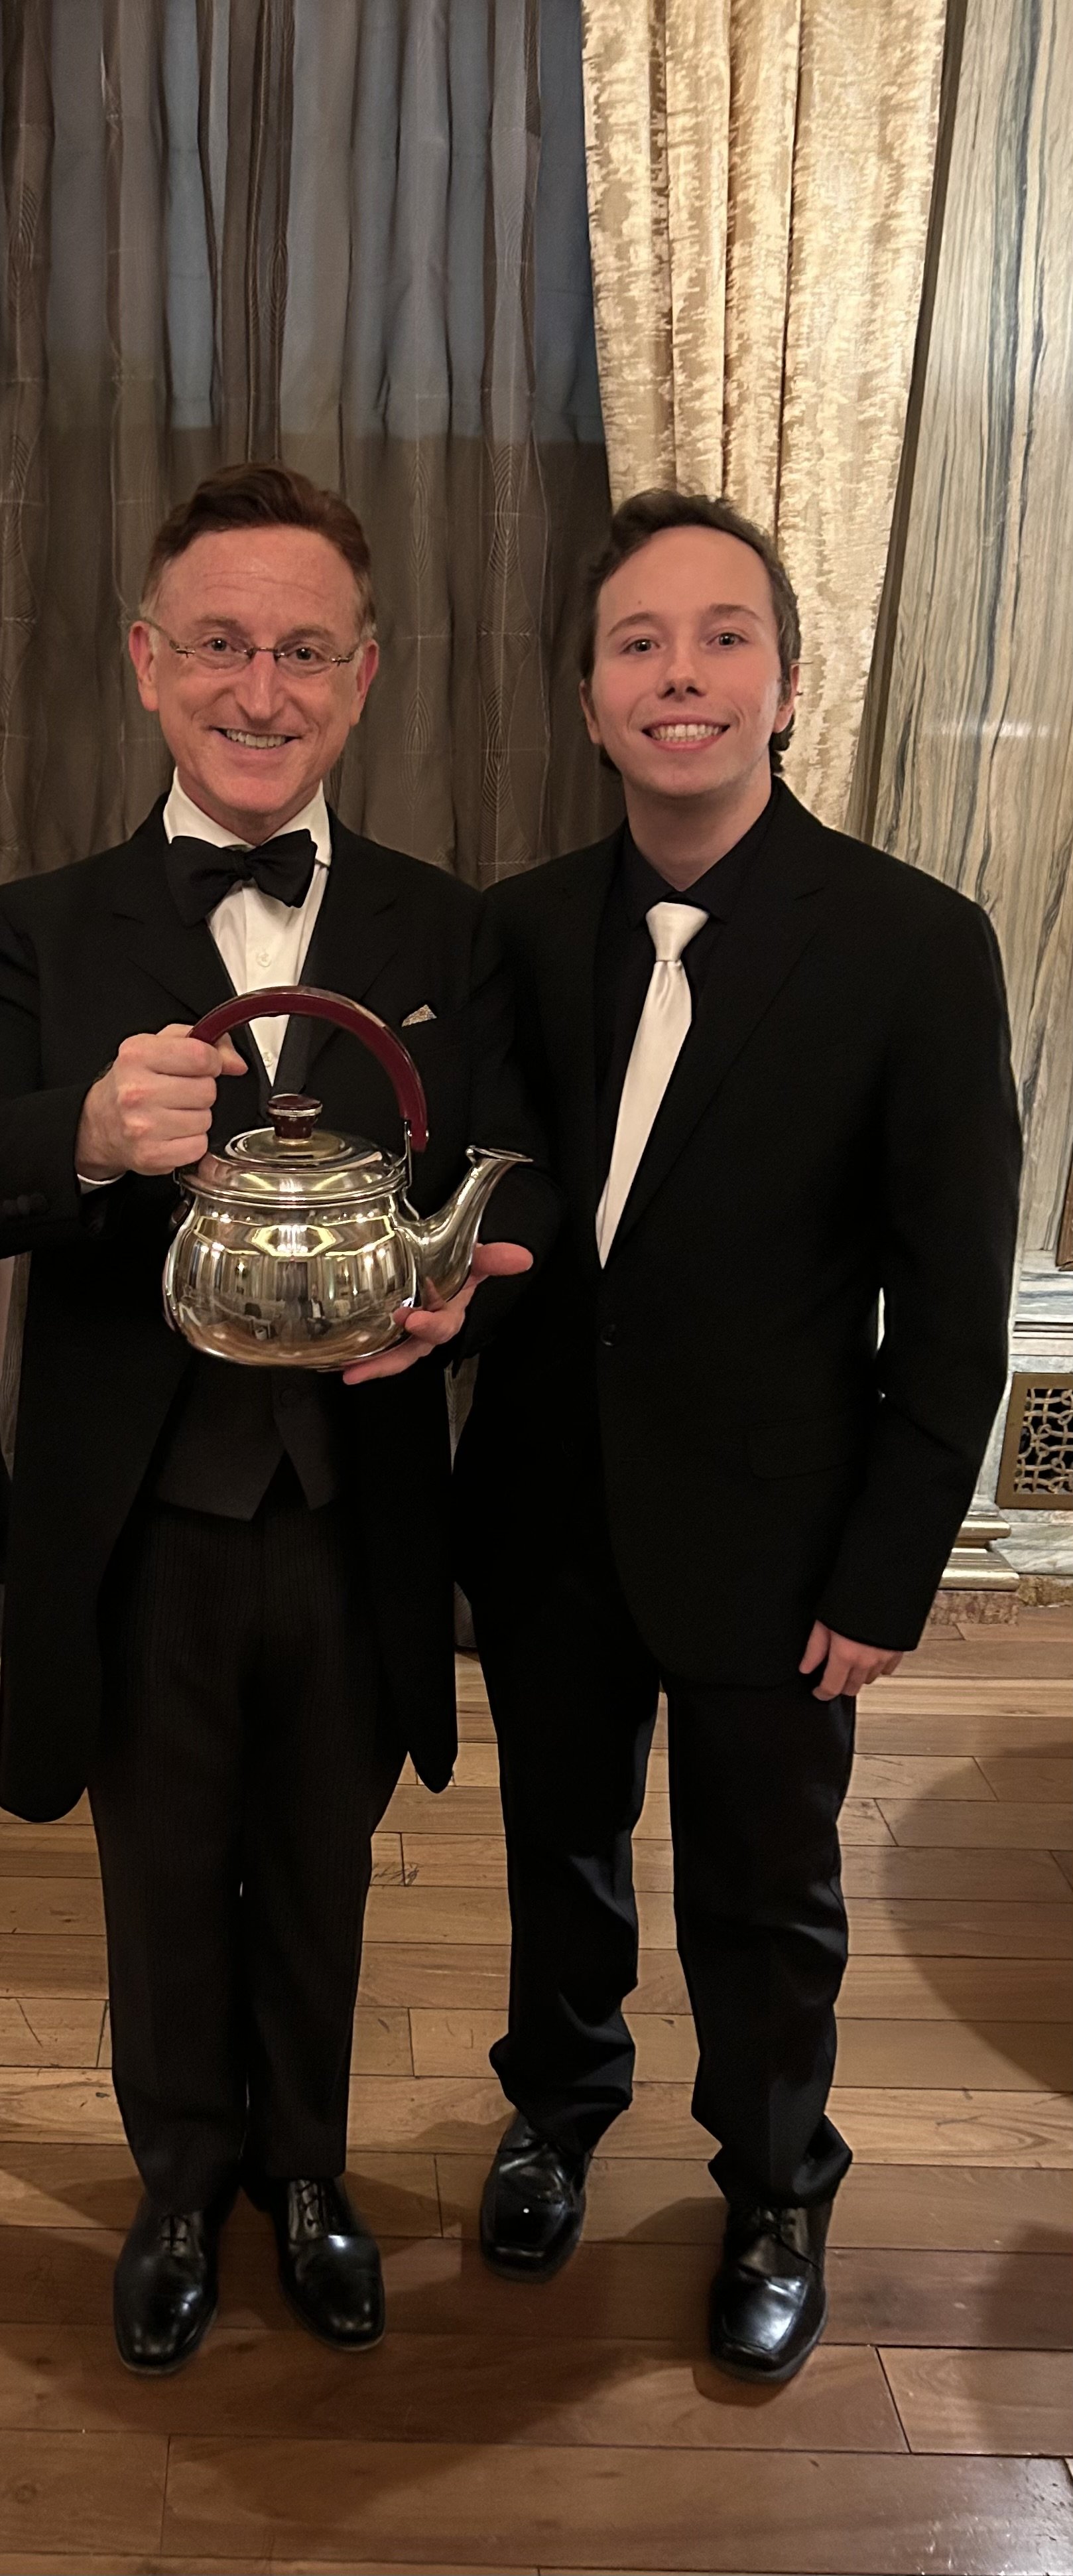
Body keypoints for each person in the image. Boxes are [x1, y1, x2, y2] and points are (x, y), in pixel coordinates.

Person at [455, 488, 1021, 2384]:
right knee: (559, 1847)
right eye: (636, 643)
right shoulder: (517, 930)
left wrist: (889, 1567)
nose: (676, 674)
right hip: (545, 1510)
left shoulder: (911, 945)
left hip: (783, 1533)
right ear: (592, 695)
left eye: (718, 638)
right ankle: (556, 2104)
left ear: (784, 683)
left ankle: (774, 2175)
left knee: (766, 1888)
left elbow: (948, 1301)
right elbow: (508, 1211)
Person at [0, 462, 556, 2374]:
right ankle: (178, 2179)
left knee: (321, 1860)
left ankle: (306, 2172)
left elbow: (521, 1176)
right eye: (221, 645)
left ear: (365, 674)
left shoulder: (444, 926)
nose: (261, 687)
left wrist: (465, 1298)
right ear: (146, 665)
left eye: (303, 649)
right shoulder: (41, 928)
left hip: (359, 1503)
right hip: (132, 1514)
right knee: (159, 1872)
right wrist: (75, 1134)